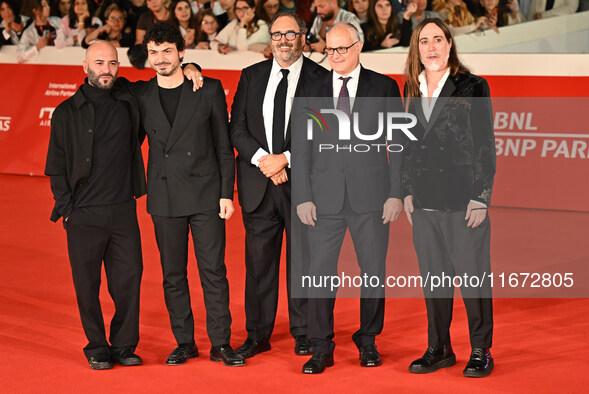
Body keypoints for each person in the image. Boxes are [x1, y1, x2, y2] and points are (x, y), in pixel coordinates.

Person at [293, 22, 404, 374]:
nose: (335, 56)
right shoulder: (310, 86)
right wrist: (303, 196)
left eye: (342, 49)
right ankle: (321, 346)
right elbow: (302, 145)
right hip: (322, 200)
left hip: (371, 198)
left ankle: (369, 340)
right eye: (329, 49)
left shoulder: (384, 87)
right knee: (319, 273)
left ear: (358, 47)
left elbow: (398, 145)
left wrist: (395, 193)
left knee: (373, 272)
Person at [137, 22, 244, 367]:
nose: (160, 59)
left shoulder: (208, 89)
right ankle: (184, 342)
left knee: (213, 271)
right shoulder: (141, 95)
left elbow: (224, 147)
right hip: (164, 195)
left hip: (206, 194)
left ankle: (221, 343)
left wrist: (227, 193)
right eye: (153, 52)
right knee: (173, 274)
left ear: (182, 52)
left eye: (167, 51)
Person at [229, 11, 328, 360]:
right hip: (259, 184)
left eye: (291, 34)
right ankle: (257, 333)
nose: (283, 40)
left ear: (303, 37)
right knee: (258, 265)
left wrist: (285, 158)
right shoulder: (251, 76)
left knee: (304, 261)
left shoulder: (321, 78)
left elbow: (324, 128)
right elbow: (236, 127)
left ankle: (304, 332)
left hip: (304, 186)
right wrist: (263, 160)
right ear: (270, 39)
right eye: (277, 34)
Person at [401, 18, 496, 378]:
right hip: (424, 204)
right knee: (434, 280)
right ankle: (439, 347)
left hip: (463, 202)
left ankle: (480, 349)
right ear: (417, 48)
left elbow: (486, 145)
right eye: (424, 41)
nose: (431, 47)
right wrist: (406, 191)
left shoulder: (473, 86)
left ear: (450, 43)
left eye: (437, 39)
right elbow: (406, 145)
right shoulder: (410, 87)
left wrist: (481, 196)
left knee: (473, 279)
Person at [44, 41, 146, 371]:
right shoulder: (65, 112)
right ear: (84, 67)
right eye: (99, 62)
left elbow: (159, 80)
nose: (106, 69)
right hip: (83, 213)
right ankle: (97, 345)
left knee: (129, 278)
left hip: (122, 209)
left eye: (113, 63)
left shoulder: (129, 99)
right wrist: (67, 208)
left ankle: (124, 345)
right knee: (87, 284)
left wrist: (192, 68)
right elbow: (56, 166)